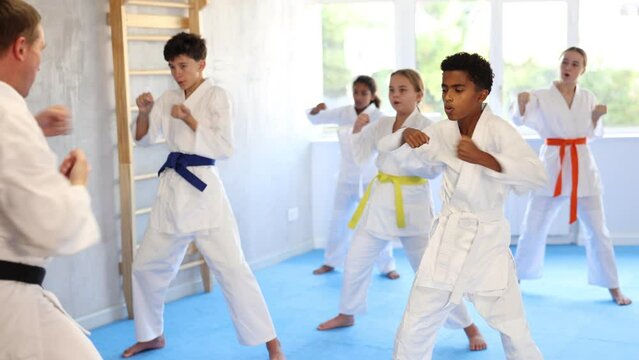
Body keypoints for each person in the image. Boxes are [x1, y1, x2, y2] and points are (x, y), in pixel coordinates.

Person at [121, 32, 285, 359]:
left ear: (201, 64)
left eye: (183, 65)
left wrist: (190, 118)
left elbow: (224, 148)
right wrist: (143, 112)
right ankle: (152, 335)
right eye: (171, 66)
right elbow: (142, 138)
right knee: (145, 267)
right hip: (172, 192)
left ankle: (272, 342)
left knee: (233, 268)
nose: (177, 73)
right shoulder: (168, 98)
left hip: (204, 190)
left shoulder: (217, 96)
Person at [385, 53, 546, 359]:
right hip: (448, 240)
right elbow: (392, 157)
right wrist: (403, 136)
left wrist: (485, 158)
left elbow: (536, 174)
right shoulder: (444, 131)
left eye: (458, 90)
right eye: (444, 88)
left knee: (514, 330)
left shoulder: (499, 131)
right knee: (414, 324)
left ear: (481, 94)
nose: (448, 97)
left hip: (487, 244)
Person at [317, 69, 486, 352]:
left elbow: (433, 170)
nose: (396, 95)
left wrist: (408, 150)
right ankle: (348, 312)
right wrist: (357, 130)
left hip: (412, 205)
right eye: (392, 89)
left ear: (419, 95)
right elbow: (358, 156)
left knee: (431, 272)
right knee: (356, 259)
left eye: (403, 90)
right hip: (379, 201)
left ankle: (470, 326)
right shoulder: (381, 123)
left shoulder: (430, 127)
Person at [0, 1, 102, 359]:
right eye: (41, 49)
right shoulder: (8, 114)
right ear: (21, 47)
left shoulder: (12, 116)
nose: (41, 62)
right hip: (9, 302)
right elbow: (55, 227)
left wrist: (33, 129)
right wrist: (76, 184)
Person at [512, 47, 632, 306]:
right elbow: (520, 119)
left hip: (582, 164)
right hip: (553, 163)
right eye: (565, 62)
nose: (569, 67)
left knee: (598, 230)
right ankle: (515, 280)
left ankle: (613, 285)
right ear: (559, 65)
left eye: (575, 64)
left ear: (583, 70)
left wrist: (597, 118)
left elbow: (593, 133)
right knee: (533, 226)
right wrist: (521, 102)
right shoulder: (541, 95)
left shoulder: (587, 97)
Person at [307, 75, 398, 279]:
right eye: (356, 92)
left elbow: (385, 145)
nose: (358, 97)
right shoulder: (344, 113)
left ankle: (387, 266)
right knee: (338, 219)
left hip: (370, 176)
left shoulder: (379, 117)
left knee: (378, 219)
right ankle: (331, 261)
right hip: (346, 176)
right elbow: (318, 119)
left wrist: (361, 129)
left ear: (372, 95)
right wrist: (315, 111)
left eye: (364, 93)